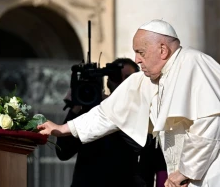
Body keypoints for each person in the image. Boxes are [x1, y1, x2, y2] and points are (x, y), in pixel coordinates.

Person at [38, 19, 220, 187]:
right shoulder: (149, 79)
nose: (137, 59)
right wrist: (62, 129)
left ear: (163, 50)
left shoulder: (193, 62)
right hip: (204, 164)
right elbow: (107, 114)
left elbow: (211, 121)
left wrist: (186, 171)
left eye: (141, 52)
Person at [56, 58, 150, 187]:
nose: (123, 83)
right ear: (108, 81)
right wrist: (76, 108)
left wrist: (110, 108)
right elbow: (63, 152)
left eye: (128, 79)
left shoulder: (142, 111)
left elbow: (141, 147)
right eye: (116, 77)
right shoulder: (91, 110)